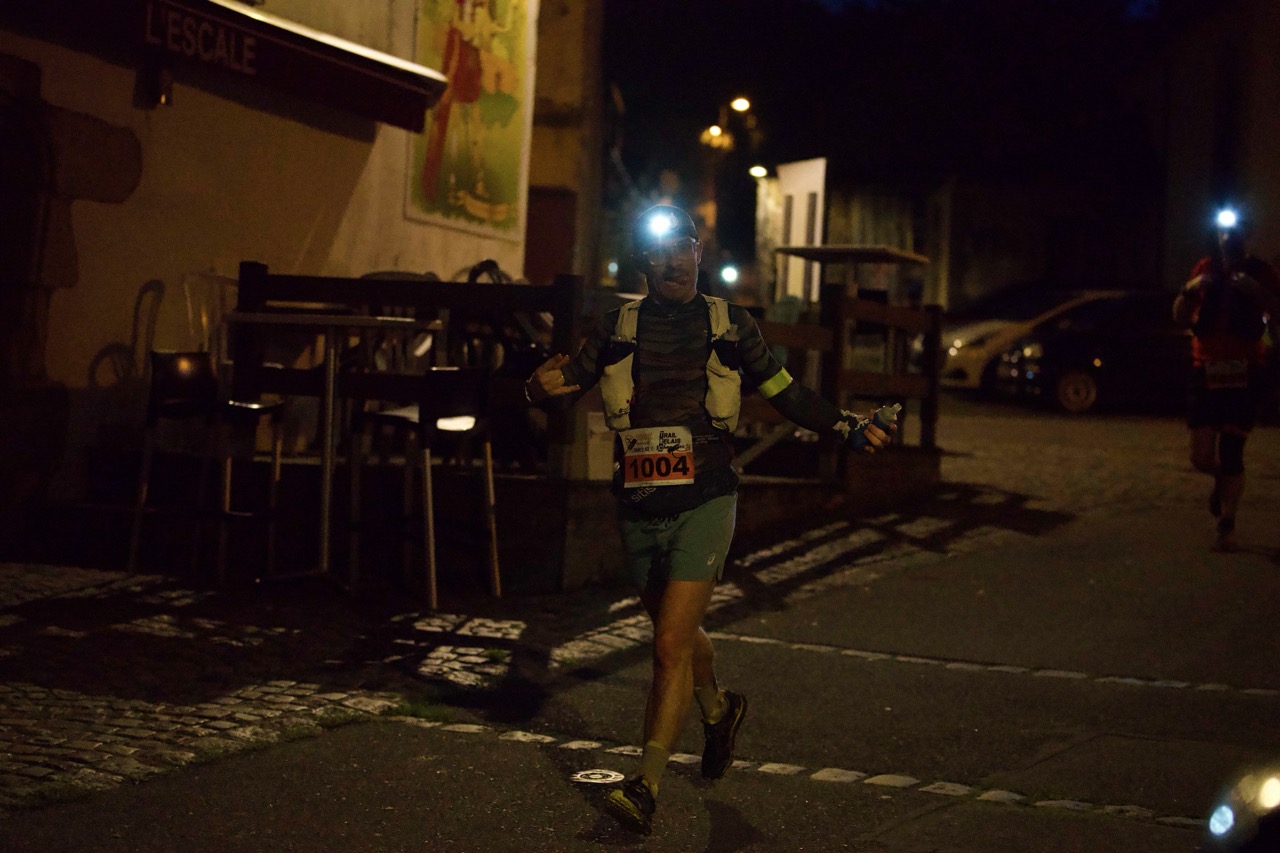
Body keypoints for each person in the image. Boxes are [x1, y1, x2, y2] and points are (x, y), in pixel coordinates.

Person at [524, 205, 895, 833]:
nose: (673, 260)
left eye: (684, 247)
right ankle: (719, 711)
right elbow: (563, 388)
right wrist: (534, 389)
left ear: (698, 253)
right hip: (638, 504)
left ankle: (644, 786)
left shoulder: (731, 325)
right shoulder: (617, 327)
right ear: (644, 260)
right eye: (660, 250)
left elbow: (783, 390)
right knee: (677, 631)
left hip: (707, 498)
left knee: (668, 644)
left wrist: (846, 426)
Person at [1172, 207, 1280, 552]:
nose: (1229, 238)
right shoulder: (1205, 268)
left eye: (1236, 231)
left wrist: (1258, 292)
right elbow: (1179, 316)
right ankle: (1221, 479)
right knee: (1201, 457)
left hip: (1245, 370)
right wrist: (1190, 289)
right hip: (1206, 369)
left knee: (1232, 451)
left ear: (1248, 235)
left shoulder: (1262, 272)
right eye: (1223, 232)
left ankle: (1227, 523)